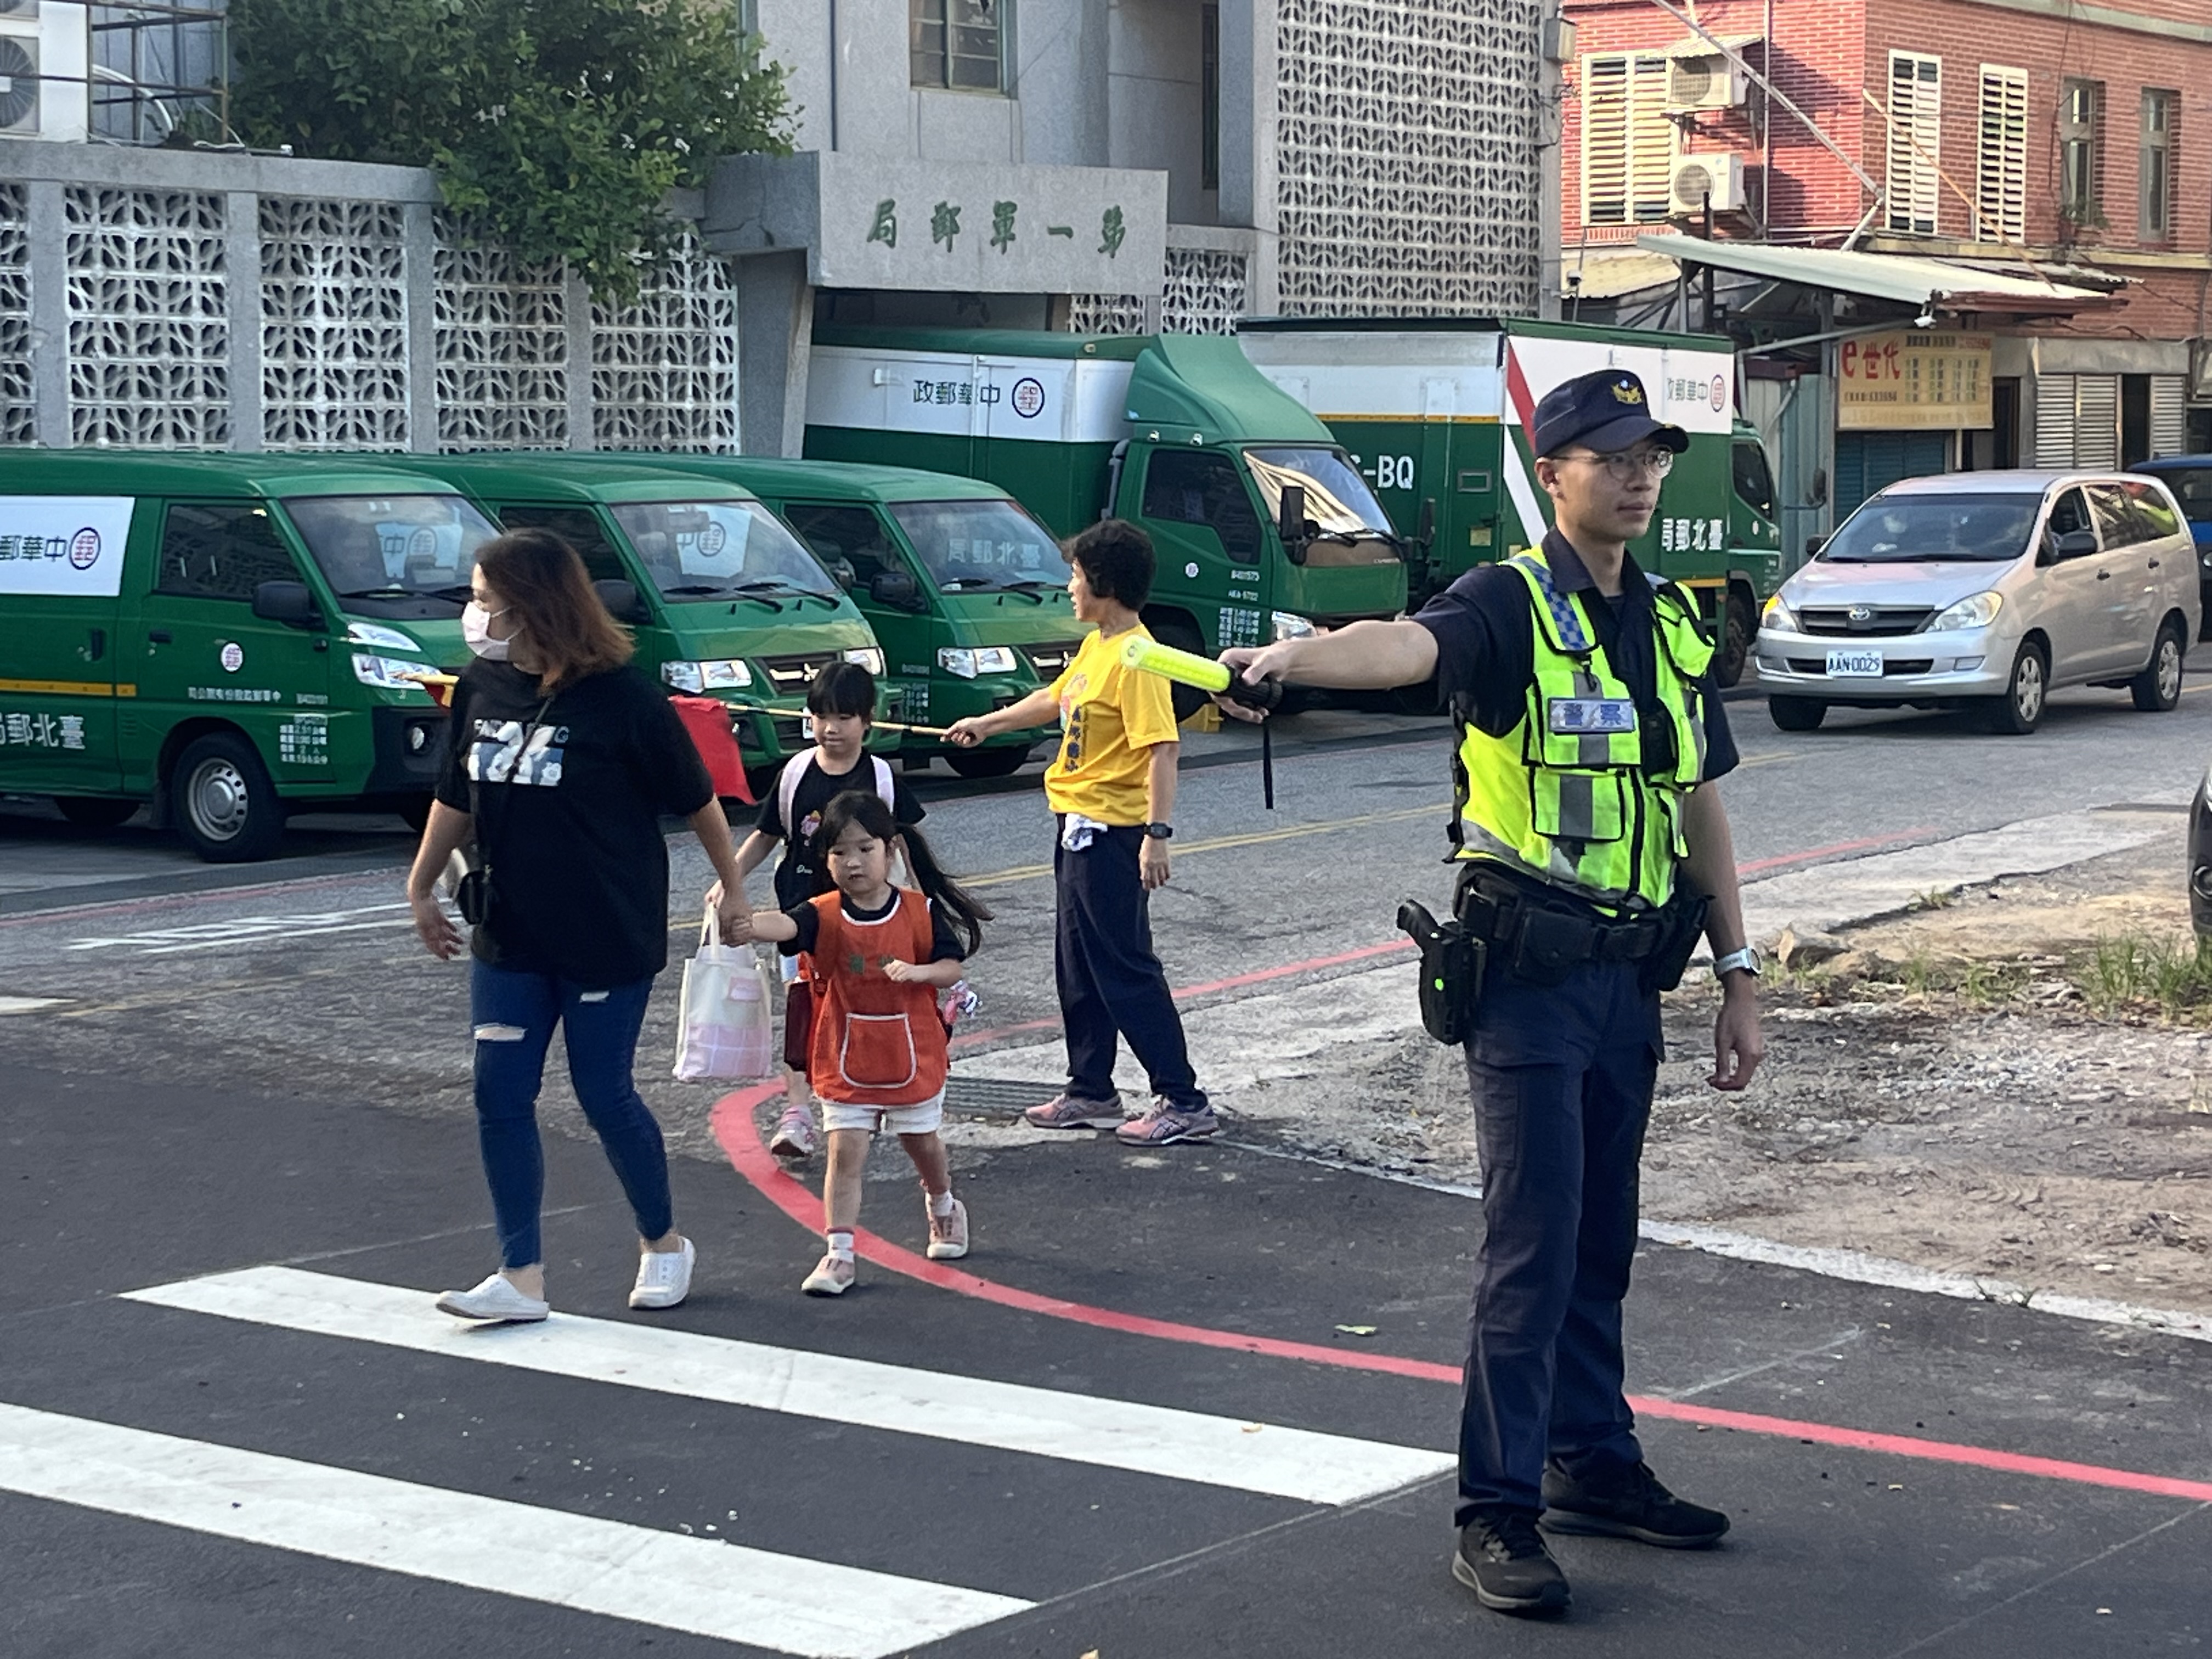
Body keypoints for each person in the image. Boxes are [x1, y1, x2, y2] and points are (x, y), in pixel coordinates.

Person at [1218, 369, 1764, 1618]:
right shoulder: (1506, 603)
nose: (1638, 475)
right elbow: (1405, 644)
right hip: (1524, 984)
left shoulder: (1673, 621)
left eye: (1653, 456)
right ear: (1555, 467)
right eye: (1612, 455)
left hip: (1635, 982)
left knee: (1599, 1242)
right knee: (1532, 1246)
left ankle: (1592, 1464)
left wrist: (1738, 972)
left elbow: (1697, 805)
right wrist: (1289, 657)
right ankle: (1497, 1511)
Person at [407, 527, 748, 1325]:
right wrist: (422, 885)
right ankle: (520, 1272)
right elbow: (455, 796)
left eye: (486, 601)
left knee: (602, 1090)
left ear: (533, 607)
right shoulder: (481, 687)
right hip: (510, 932)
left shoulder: (623, 698)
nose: (474, 615)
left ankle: (663, 1242)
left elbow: (698, 800)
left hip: (605, 931)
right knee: (499, 1092)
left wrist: (732, 892)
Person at [944, 519, 1214, 1146]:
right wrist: (988, 724)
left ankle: (1183, 1098)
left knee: (1125, 968)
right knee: (1079, 966)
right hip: (1075, 827)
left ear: (1105, 584)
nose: (1068, 585)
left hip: (1114, 835)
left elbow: (1163, 751)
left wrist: (1157, 834)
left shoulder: (1137, 659)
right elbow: (1054, 700)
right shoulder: (1099, 646)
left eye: (1076, 574)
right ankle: (1091, 1089)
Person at [727, 790, 991, 1295]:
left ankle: (943, 1204)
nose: (852, 862)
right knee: (844, 1152)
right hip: (845, 1058)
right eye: (840, 852)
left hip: (911, 1054)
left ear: (890, 850)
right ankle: (839, 1254)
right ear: (826, 860)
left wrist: (918, 972)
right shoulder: (823, 913)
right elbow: (785, 925)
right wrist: (746, 923)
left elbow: (951, 967)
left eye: (864, 849)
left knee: (923, 1145)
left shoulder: (918, 912)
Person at [723, 662, 925, 1162]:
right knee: (801, 1011)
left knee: (861, 1007)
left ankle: (862, 1093)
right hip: (802, 915)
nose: (831, 729)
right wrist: (728, 882)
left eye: (843, 717)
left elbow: (907, 843)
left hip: (861, 920)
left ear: (868, 720)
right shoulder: (796, 773)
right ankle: (797, 1113)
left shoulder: (879, 777)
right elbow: (767, 834)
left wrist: (925, 908)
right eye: (820, 716)